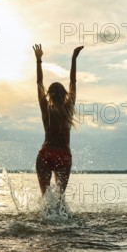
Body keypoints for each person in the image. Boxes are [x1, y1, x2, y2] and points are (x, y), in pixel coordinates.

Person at [32, 43, 84, 196]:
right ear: (64, 94)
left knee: (46, 197)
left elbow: (39, 83)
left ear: (50, 95)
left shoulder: (46, 109)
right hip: (64, 156)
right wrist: (74, 58)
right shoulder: (68, 109)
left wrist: (39, 60)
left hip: (46, 154)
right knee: (59, 198)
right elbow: (73, 83)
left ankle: (45, 218)